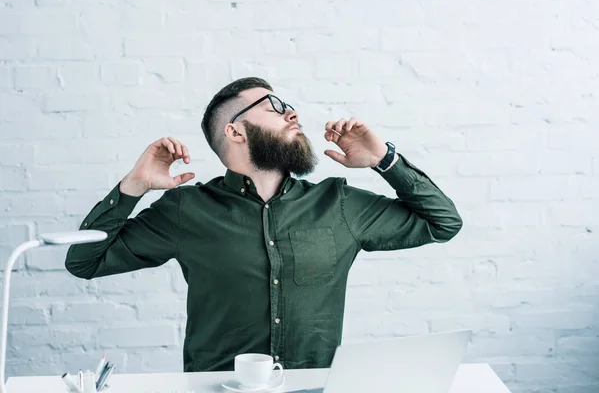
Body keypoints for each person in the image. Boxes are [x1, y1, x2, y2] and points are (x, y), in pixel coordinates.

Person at [65, 77, 463, 373]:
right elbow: (85, 261)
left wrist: (384, 160)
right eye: (272, 106)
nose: (291, 112)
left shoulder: (338, 203)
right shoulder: (186, 209)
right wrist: (133, 186)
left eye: (286, 103)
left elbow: (443, 223)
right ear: (235, 131)